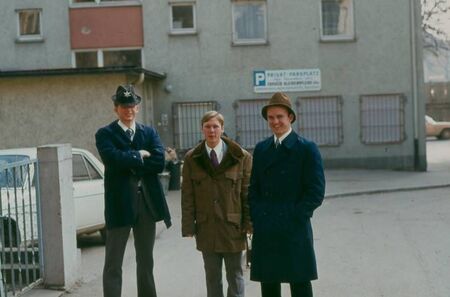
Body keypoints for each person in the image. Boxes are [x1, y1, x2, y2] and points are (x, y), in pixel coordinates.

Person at [95, 84, 171, 297]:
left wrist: (127, 160)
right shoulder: (105, 134)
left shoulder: (149, 132)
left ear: (137, 108)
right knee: (113, 261)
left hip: (146, 203)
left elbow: (158, 162)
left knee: (146, 259)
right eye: (123, 106)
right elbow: (111, 159)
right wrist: (138, 155)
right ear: (116, 109)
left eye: (132, 106)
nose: (128, 110)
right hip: (119, 204)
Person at [249, 92, 325, 297]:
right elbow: (253, 188)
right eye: (271, 117)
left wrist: (296, 216)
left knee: (299, 283)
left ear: (290, 117)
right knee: (269, 285)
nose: (275, 122)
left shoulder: (306, 149)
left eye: (280, 116)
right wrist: (258, 215)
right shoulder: (262, 149)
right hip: (266, 227)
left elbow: (316, 191)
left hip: (294, 227)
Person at [181, 111, 252, 297]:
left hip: (233, 227)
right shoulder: (192, 158)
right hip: (207, 227)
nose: (211, 131)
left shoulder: (241, 157)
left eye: (215, 126)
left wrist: (249, 223)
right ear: (202, 129)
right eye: (207, 126)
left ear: (222, 128)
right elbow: (187, 195)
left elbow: (247, 193)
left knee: (235, 275)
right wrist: (189, 226)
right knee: (212, 277)